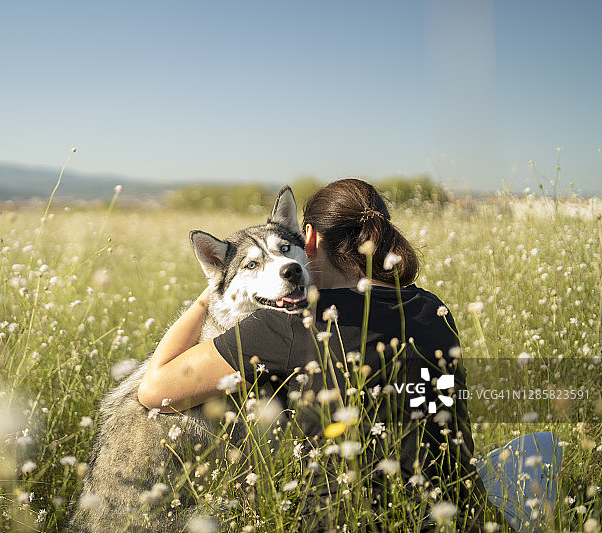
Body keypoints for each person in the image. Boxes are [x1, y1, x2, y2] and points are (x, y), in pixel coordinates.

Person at [138, 178, 488, 531]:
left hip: (349, 522)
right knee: (544, 443)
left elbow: (154, 390)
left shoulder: (292, 325)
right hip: (460, 516)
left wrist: (213, 286)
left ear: (310, 239)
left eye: (288, 249)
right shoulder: (433, 308)